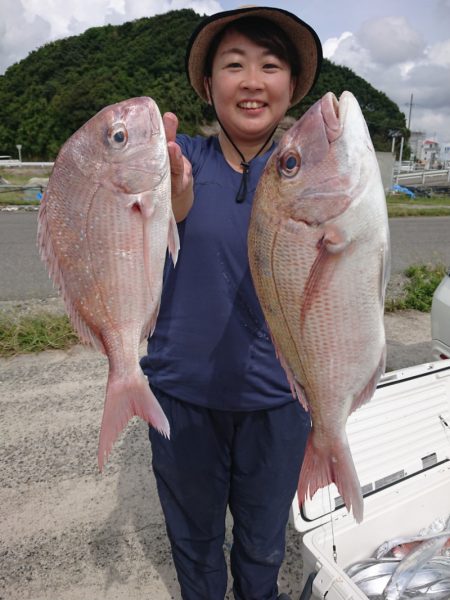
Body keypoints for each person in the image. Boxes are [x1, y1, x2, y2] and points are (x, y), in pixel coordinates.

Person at [140, 6, 322, 600]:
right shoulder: (177, 159)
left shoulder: (310, 173)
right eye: (233, 65)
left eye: (270, 66)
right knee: (193, 547)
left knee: (264, 547)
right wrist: (171, 192)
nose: (251, 81)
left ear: (291, 86)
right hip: (181, 394)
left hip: (279, 399)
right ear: (208, 84)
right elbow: (164, 197)